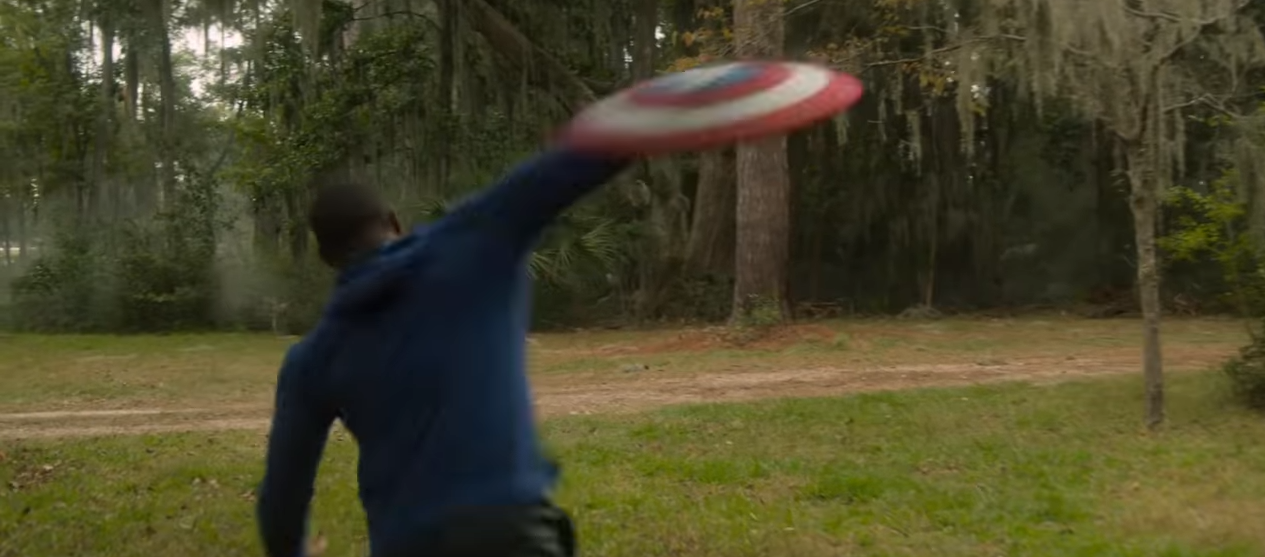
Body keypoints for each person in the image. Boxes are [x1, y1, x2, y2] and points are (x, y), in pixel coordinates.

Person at [255, 148, 631, 557]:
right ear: (394, 222)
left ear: (326, 258)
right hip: (514, 535)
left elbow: (282, 500)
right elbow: (563, 168)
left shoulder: (313, 358)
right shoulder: (469, 245)